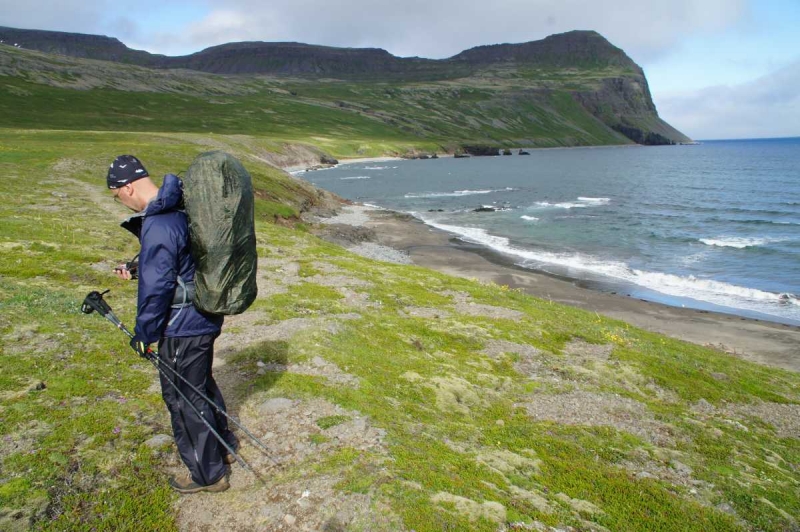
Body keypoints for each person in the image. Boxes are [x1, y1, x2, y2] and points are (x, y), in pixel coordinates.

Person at [107, 155, 237, 494]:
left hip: (181, 325)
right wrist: (137, 268)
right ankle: (223, 448)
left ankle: (208, 476)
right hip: (204, 315)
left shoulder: (159, 223)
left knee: (182, 399)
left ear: (128, 186)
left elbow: (158, 287)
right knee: (201, 386)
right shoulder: (180, 208)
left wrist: (144, 334)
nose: (119, 200)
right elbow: (182, 263)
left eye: (116, 194)